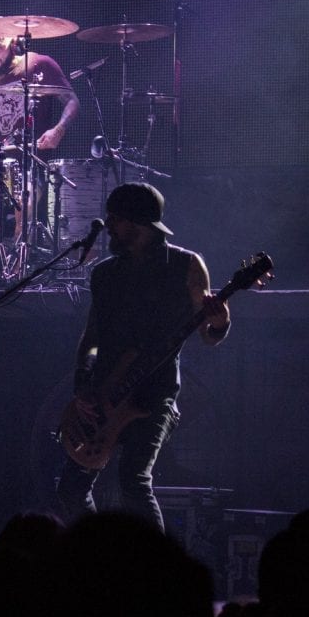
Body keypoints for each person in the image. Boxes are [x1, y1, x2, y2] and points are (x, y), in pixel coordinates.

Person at [56, 182, 231, 531]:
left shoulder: (186, 266)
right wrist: (83, 388)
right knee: (71, 490)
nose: (108, 226)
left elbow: (208, 336)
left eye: (115, 218)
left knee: (132, 480)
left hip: (153, 396)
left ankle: (155, 563)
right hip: (105, 393)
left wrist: (220, 322)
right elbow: (92, 338)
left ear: (139, 224)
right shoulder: (105, 274)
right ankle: (95, 554)